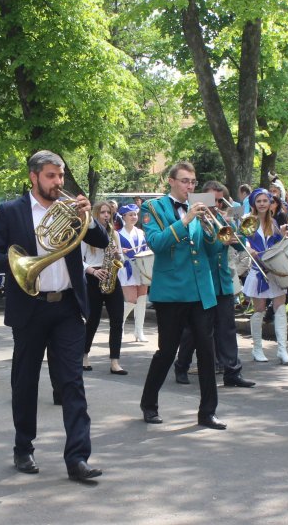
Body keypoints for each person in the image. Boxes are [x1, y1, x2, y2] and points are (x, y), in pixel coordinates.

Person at [0, 150, 110, 482]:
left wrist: (91, 217)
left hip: (68, 307)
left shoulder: (71, 209)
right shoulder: (13, 211)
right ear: (34, 177)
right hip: (30, 307)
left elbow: (102, 239)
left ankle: (77, 458)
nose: (58, 182)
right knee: (25, 382)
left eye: (61, 175)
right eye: (51, 176)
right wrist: (17, 264)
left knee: (72, 383)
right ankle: (23, 447)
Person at [135, 161, 227, 430]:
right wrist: (185, 221)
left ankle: (208, 412)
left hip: (201, 291)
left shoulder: (201, 208)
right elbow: (157, 244)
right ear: (171, 181)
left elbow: (209, 251)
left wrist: (221, 236)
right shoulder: (153, 208)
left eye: (193, 182)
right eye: (185, 181)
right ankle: (149, 404)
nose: (190, 186)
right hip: (172, 292)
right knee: (167, 351)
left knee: (207, 353)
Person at [172, 180, 255, 388]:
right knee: (195, 330)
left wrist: (237, 238)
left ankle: (232, 372)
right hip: (201, 281)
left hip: (222, 279)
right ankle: (181, 365)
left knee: (227, 328)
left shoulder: (223, 219)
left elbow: (241, 247)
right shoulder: (194, 220)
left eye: (220, 201)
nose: (216, 205)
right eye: (212, 200)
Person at [242, 188, 288, 364]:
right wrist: (249, 249)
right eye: (259, 201)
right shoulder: (248, 221)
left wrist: (286, 236)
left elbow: (279, 245)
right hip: (258, 272)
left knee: (280, 308)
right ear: (254, 204)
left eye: (265, 200)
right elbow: (243, 242)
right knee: (259, 310)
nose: (263, 204)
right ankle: (257, 349)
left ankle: (282, 350)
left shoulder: (274, 222)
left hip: (274, 271)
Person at [81, 201, 127, 375]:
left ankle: (115, 361)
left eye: (108, 212)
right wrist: (92, 271)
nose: (106, 215)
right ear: (95, 214)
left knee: (117, 319)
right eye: (102, 213)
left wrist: (116, 254)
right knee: (92, 320)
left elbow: (121, 260)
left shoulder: (113, 233)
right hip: (93, 276)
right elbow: (78, 259)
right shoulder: (87, 233)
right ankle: (84, 355)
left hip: (111, 275)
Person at [115, 204, 149, 342]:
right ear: (123, 217)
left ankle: (139, 331)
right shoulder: (117, 233)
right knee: (131, 301)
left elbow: (145, 249)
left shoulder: (140, 232)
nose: (134, 217)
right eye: (130, 215)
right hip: (126, 268)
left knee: (142, 300)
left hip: (141, 268)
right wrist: (120, 252)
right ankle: (118, 326)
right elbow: (113, 253)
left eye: (135, 214)